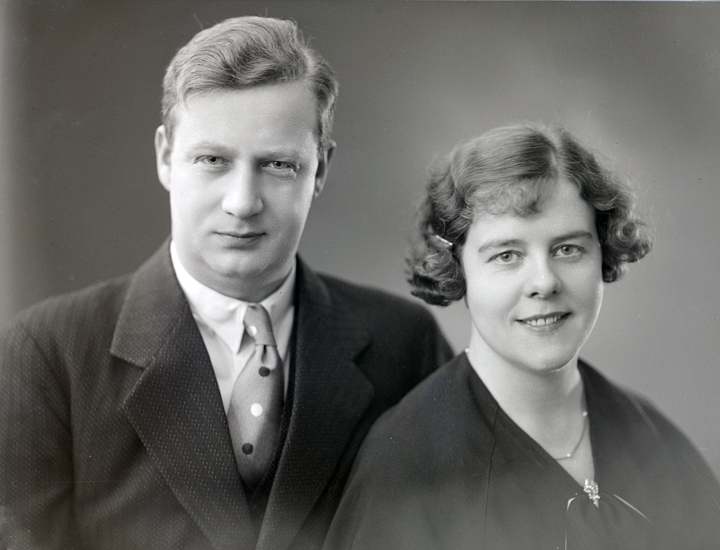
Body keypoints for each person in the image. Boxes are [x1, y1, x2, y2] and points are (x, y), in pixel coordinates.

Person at [0, 16, 452, 550]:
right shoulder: (49, 352)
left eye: (278, 165)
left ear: (320, 170)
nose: (242, 202)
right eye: (212, 160)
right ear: (166, 158)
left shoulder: (406, 344)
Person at [324, 123, 720, 550]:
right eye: (507, 255)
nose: (544, 282)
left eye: (568, 249)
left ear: (602, 251)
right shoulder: (405, 467)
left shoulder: (651, 436)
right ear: (457, 267)